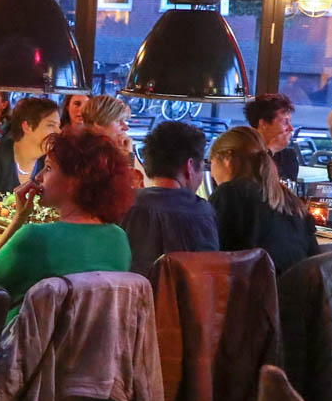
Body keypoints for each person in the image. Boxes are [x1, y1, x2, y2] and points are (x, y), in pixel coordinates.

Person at [0, 129, 133, 311]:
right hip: (95, 331)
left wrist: (18, 220)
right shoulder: (119, 238)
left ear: (74, 181)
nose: (38, 177)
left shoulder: (35, 237)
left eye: (48, 168)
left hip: (26, 330)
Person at [208, 126, 318, 278]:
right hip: (293, 289)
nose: (212, 173)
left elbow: (211, 254)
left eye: (211, 162)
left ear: (227, 157)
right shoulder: (289, 198)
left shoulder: (229, 193)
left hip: (255, 290)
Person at [121, 121, 218, 275]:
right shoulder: (203, 211)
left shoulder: (124, 203)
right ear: (189, 166)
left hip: (131, 290)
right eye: (202, 167)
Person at [0, 96, 59, 210]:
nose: (58, 131)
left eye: (58, 126)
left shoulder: (52, 163)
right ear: (27, 126)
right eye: (51, 125)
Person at [80, 95, 145, 186]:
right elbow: (131, 188)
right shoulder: (96, 160)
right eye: (118, 121)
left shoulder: (109, 151)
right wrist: (128, 157)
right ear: (98, 124)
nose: (126, 128)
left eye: (124, 121)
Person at [245, 92, 299, 183]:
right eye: (285, 122)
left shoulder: (288, 156)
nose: (291, 128)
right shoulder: (242, 152)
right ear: (263, 124)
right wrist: (272, 149)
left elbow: (288, 188)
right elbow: (250, 183)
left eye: (290, 121)